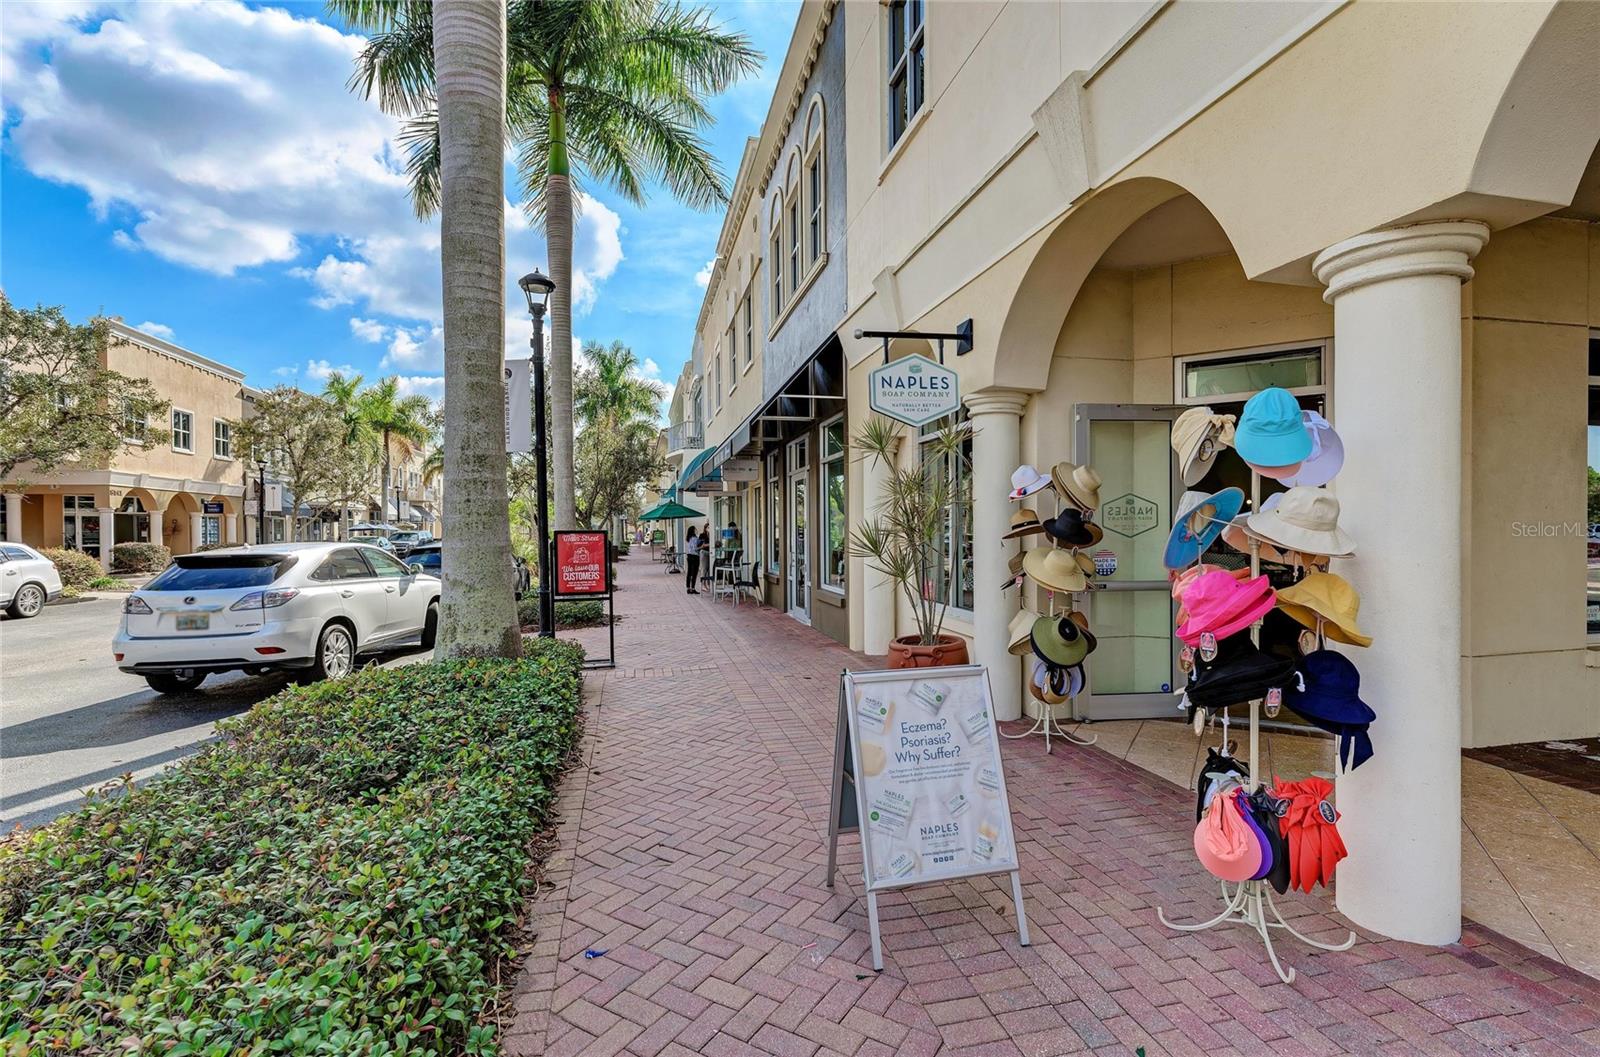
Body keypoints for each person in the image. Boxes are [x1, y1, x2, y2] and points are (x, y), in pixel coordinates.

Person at [684, 524, 702, 594]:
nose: (696, 530)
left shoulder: (688, 538)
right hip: (695, 556)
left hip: (689, 556)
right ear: (693, 531)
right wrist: (701, 546)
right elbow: (695, 548)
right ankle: (693, 588)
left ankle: (688, 588)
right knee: (694, 572)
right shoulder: (695, 538)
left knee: (689, 572)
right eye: (695, 529)